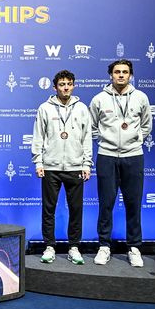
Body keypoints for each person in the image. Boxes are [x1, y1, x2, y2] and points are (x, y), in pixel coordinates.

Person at [89, 59, 151, 267]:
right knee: (106, 203)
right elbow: (92, 126)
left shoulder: (141, 97)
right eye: (117, 72)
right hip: (106, 156)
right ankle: (104, 246)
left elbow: (146, 126)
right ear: (111, 75)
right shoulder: (99, 99)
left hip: (133, 156)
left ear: (131, 75)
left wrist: (134, 140)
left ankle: (134, 247)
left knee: (133, 203)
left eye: (125, 72)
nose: (121, 75)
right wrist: (106, 140)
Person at [31, 70, 92, 265]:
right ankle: (49, 246)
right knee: (49, 209)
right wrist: (39, 162)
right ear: (55, 87)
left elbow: (87, 138)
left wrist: (86, 164)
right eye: (62, 84)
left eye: (69, 84)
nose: (66, 87)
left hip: (75, 166)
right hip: (51, 166)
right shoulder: (45, 108)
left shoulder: (82, 108)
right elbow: (38, 136)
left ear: (74, 86)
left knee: (76, 209)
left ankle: (74, 247)